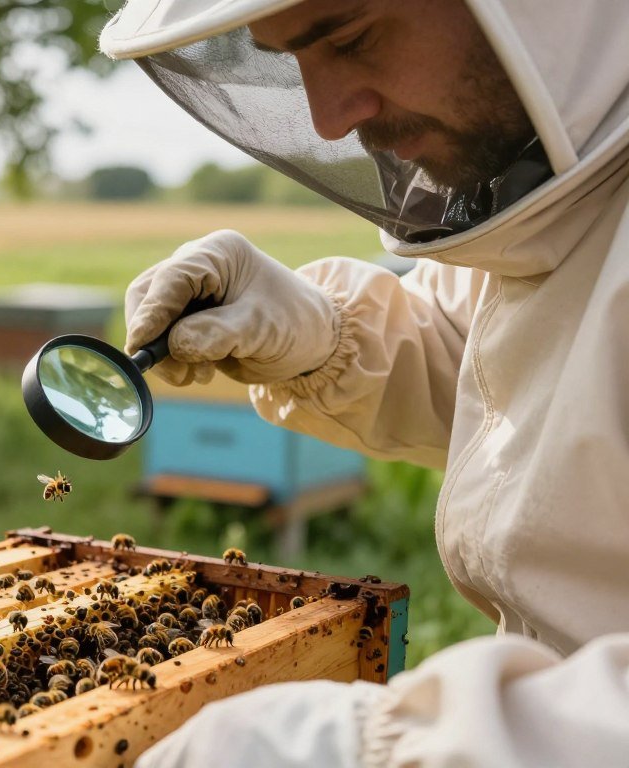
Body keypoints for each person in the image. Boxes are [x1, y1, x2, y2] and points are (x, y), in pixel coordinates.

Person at [97, 0, 629, 765]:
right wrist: (319, 335)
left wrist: (378, 750)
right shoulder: (564, 190)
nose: (327, 119)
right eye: (290, 60)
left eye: (349, 36)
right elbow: (518, 381)